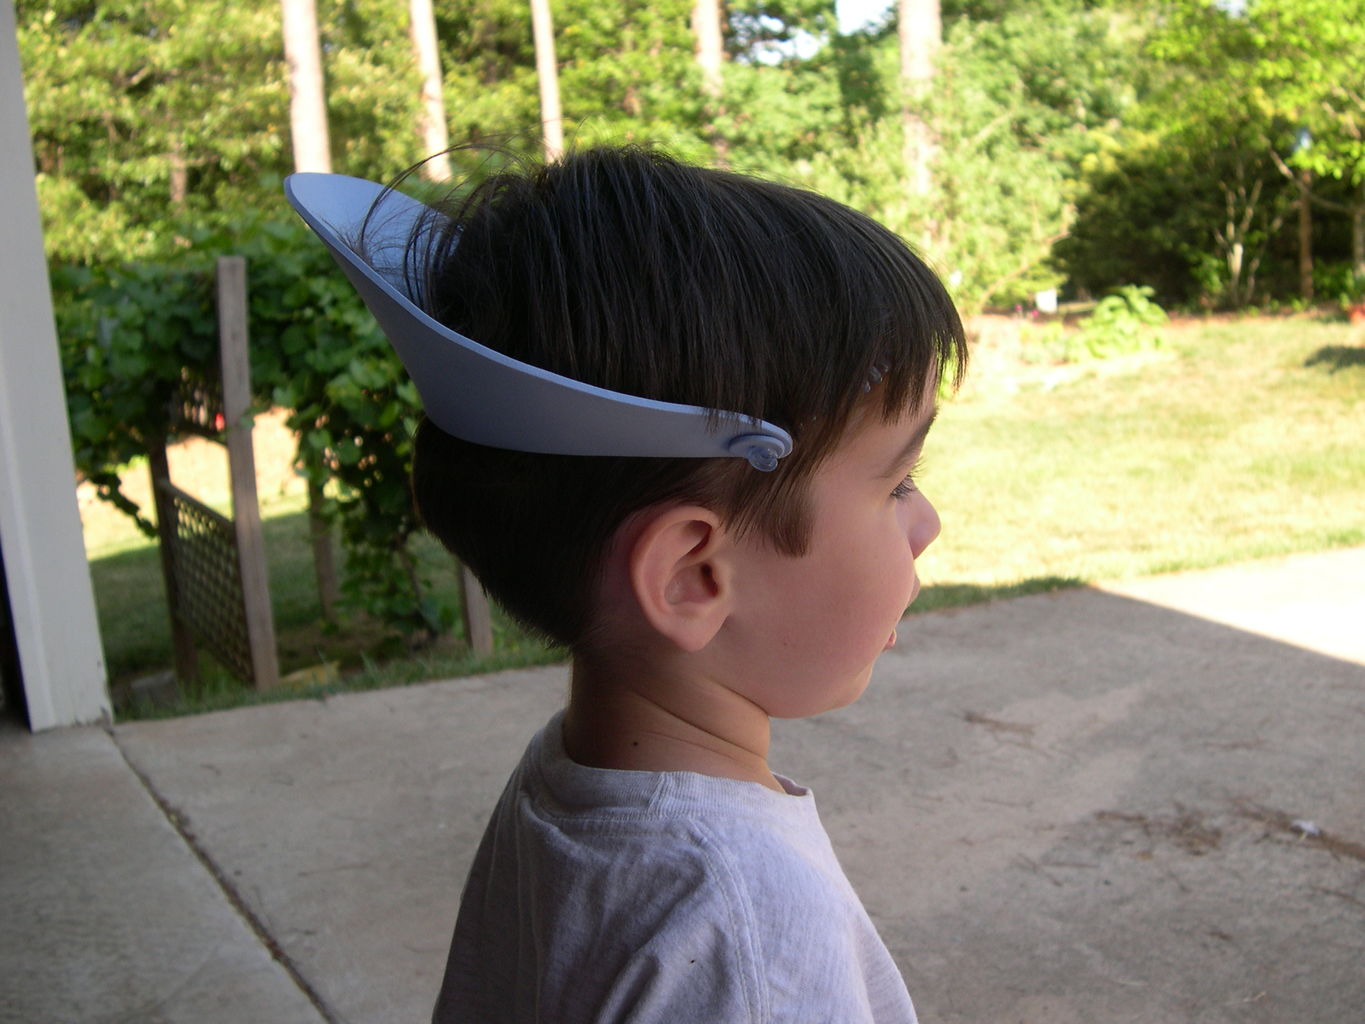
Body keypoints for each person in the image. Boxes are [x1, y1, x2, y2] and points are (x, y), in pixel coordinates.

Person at [286, 144, 966, 1023]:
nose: (927, 523)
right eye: (897, 483)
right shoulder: (742, 923)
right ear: (692, 575)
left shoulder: (566, 780)